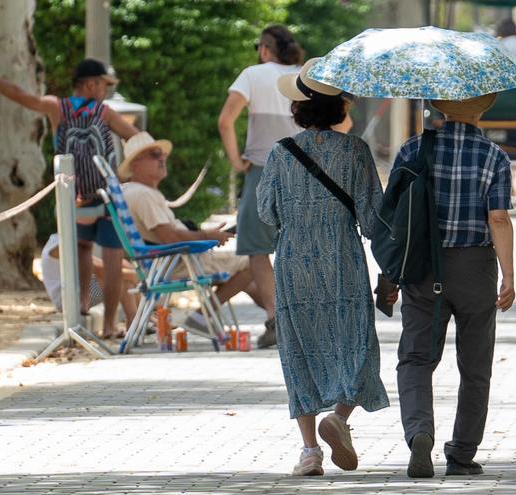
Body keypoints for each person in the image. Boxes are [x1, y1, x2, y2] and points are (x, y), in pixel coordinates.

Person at [257, 59, 391, 476]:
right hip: (342, 261)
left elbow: (266, 211)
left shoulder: (281, 154)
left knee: (299, 350)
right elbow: (372, 219)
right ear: (339, 108)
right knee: (357, 343)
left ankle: (310, 450)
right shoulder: (356, 151)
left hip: (294, 263)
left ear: (298, 109)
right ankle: (341, 417)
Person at [0, 48, 139, 338]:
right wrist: (124, 173)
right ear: (89, 84)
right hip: (107, 194)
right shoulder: (105, 113)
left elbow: (16, 94)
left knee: (82, 250)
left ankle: (83, 307)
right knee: (112, 258)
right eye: (102, 85)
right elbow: (136, 140)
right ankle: (110, 324)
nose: (103, 92)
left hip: (75, 195)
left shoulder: (57, 108)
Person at [394, 94, 515, 479]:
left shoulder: (413, 149)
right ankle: (462, 453)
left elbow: (395, 215)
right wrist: (509, 275)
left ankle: (419, 434)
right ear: (484, 107)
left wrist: (390, 272)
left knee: (416, 358)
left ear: (439, 105)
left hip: (423, 266)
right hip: (475, 268)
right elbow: (497, 218)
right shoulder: (494, 156)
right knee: (475, 366)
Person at [119, 132, 265, 334]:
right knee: (251, 262)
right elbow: (169, 237)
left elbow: (167, 234)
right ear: (135, 165)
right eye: (154, 155)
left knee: (248, 278)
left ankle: (280, 321)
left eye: (162, 154)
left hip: (170, 262)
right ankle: (200, 317)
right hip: (176, 264)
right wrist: (207, 237)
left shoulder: (137, 191)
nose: (162, 158)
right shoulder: (142, 194)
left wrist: (206, 235)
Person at [218, 25, 304, 349]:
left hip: (262, 168)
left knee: (257, 248)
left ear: (265, 48)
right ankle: (302, 317)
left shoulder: (252, 75)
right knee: (297, 246)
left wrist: (237, 160)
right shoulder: (303, 77)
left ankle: (275, 318)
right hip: (301, 170)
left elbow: (226, 120)